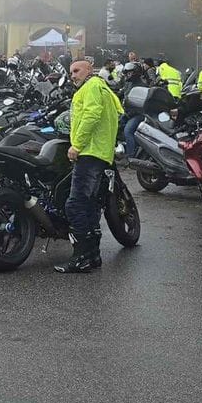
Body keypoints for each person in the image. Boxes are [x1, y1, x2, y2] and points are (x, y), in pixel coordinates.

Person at [55, 59, 124, 273]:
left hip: (90, 152)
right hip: (101, 153)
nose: (73, 75)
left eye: (76, 71)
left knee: (74, 205)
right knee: (90, 206)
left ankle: (81, 257)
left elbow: (92, 115)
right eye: (70, 72)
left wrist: (77, 145)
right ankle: (93, 256)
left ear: (89, 70)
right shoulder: (103, 88)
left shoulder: (92, 86)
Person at [120, 62, 146, 159]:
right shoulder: (128, 84)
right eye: (126, 73)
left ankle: (131, 157)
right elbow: (121, 93)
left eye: (129, 73)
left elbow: (141, 106)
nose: (127, 75)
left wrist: (128, 114)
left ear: (135, 73)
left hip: (138, 114)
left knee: (128, 130)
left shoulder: (142, 86)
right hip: (127, 113)